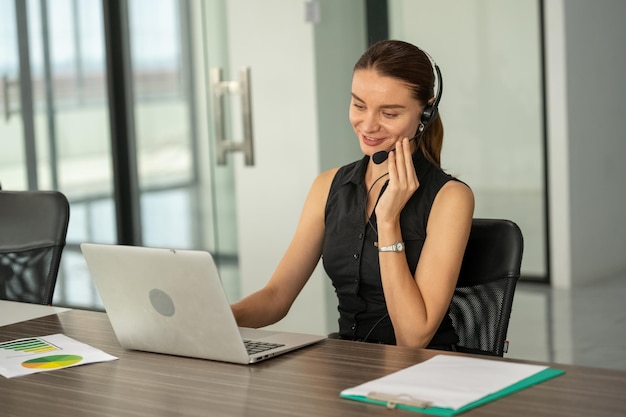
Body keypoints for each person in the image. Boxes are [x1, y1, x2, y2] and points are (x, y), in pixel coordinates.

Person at [231, 40, 474, 350]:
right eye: (359, 105)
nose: (368, 125)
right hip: (348, 367)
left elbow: (413, 338)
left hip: (423, 373)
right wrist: (218, 317)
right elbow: (277, 296)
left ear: (425, 113)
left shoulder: (450, 198)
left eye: (389, 113)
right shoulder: (328, 186)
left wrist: (387, 221)